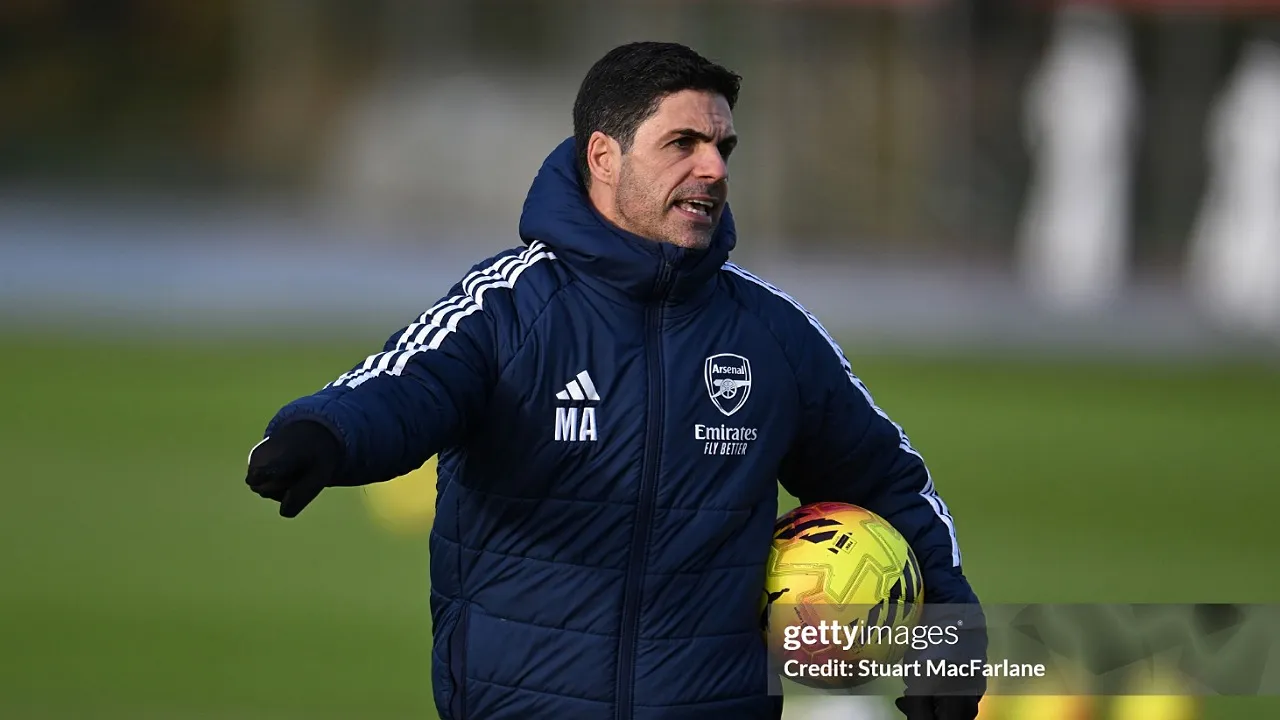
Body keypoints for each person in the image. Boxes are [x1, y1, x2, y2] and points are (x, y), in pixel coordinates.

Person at [244, 41, 985, 720]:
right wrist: (326, 432)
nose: (715, 169)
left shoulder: (772, 334)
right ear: (604, 156)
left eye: (724, 147)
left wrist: (948, 647)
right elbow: (407, 384)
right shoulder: (513, 307)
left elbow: (891, 482)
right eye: (684, 144)